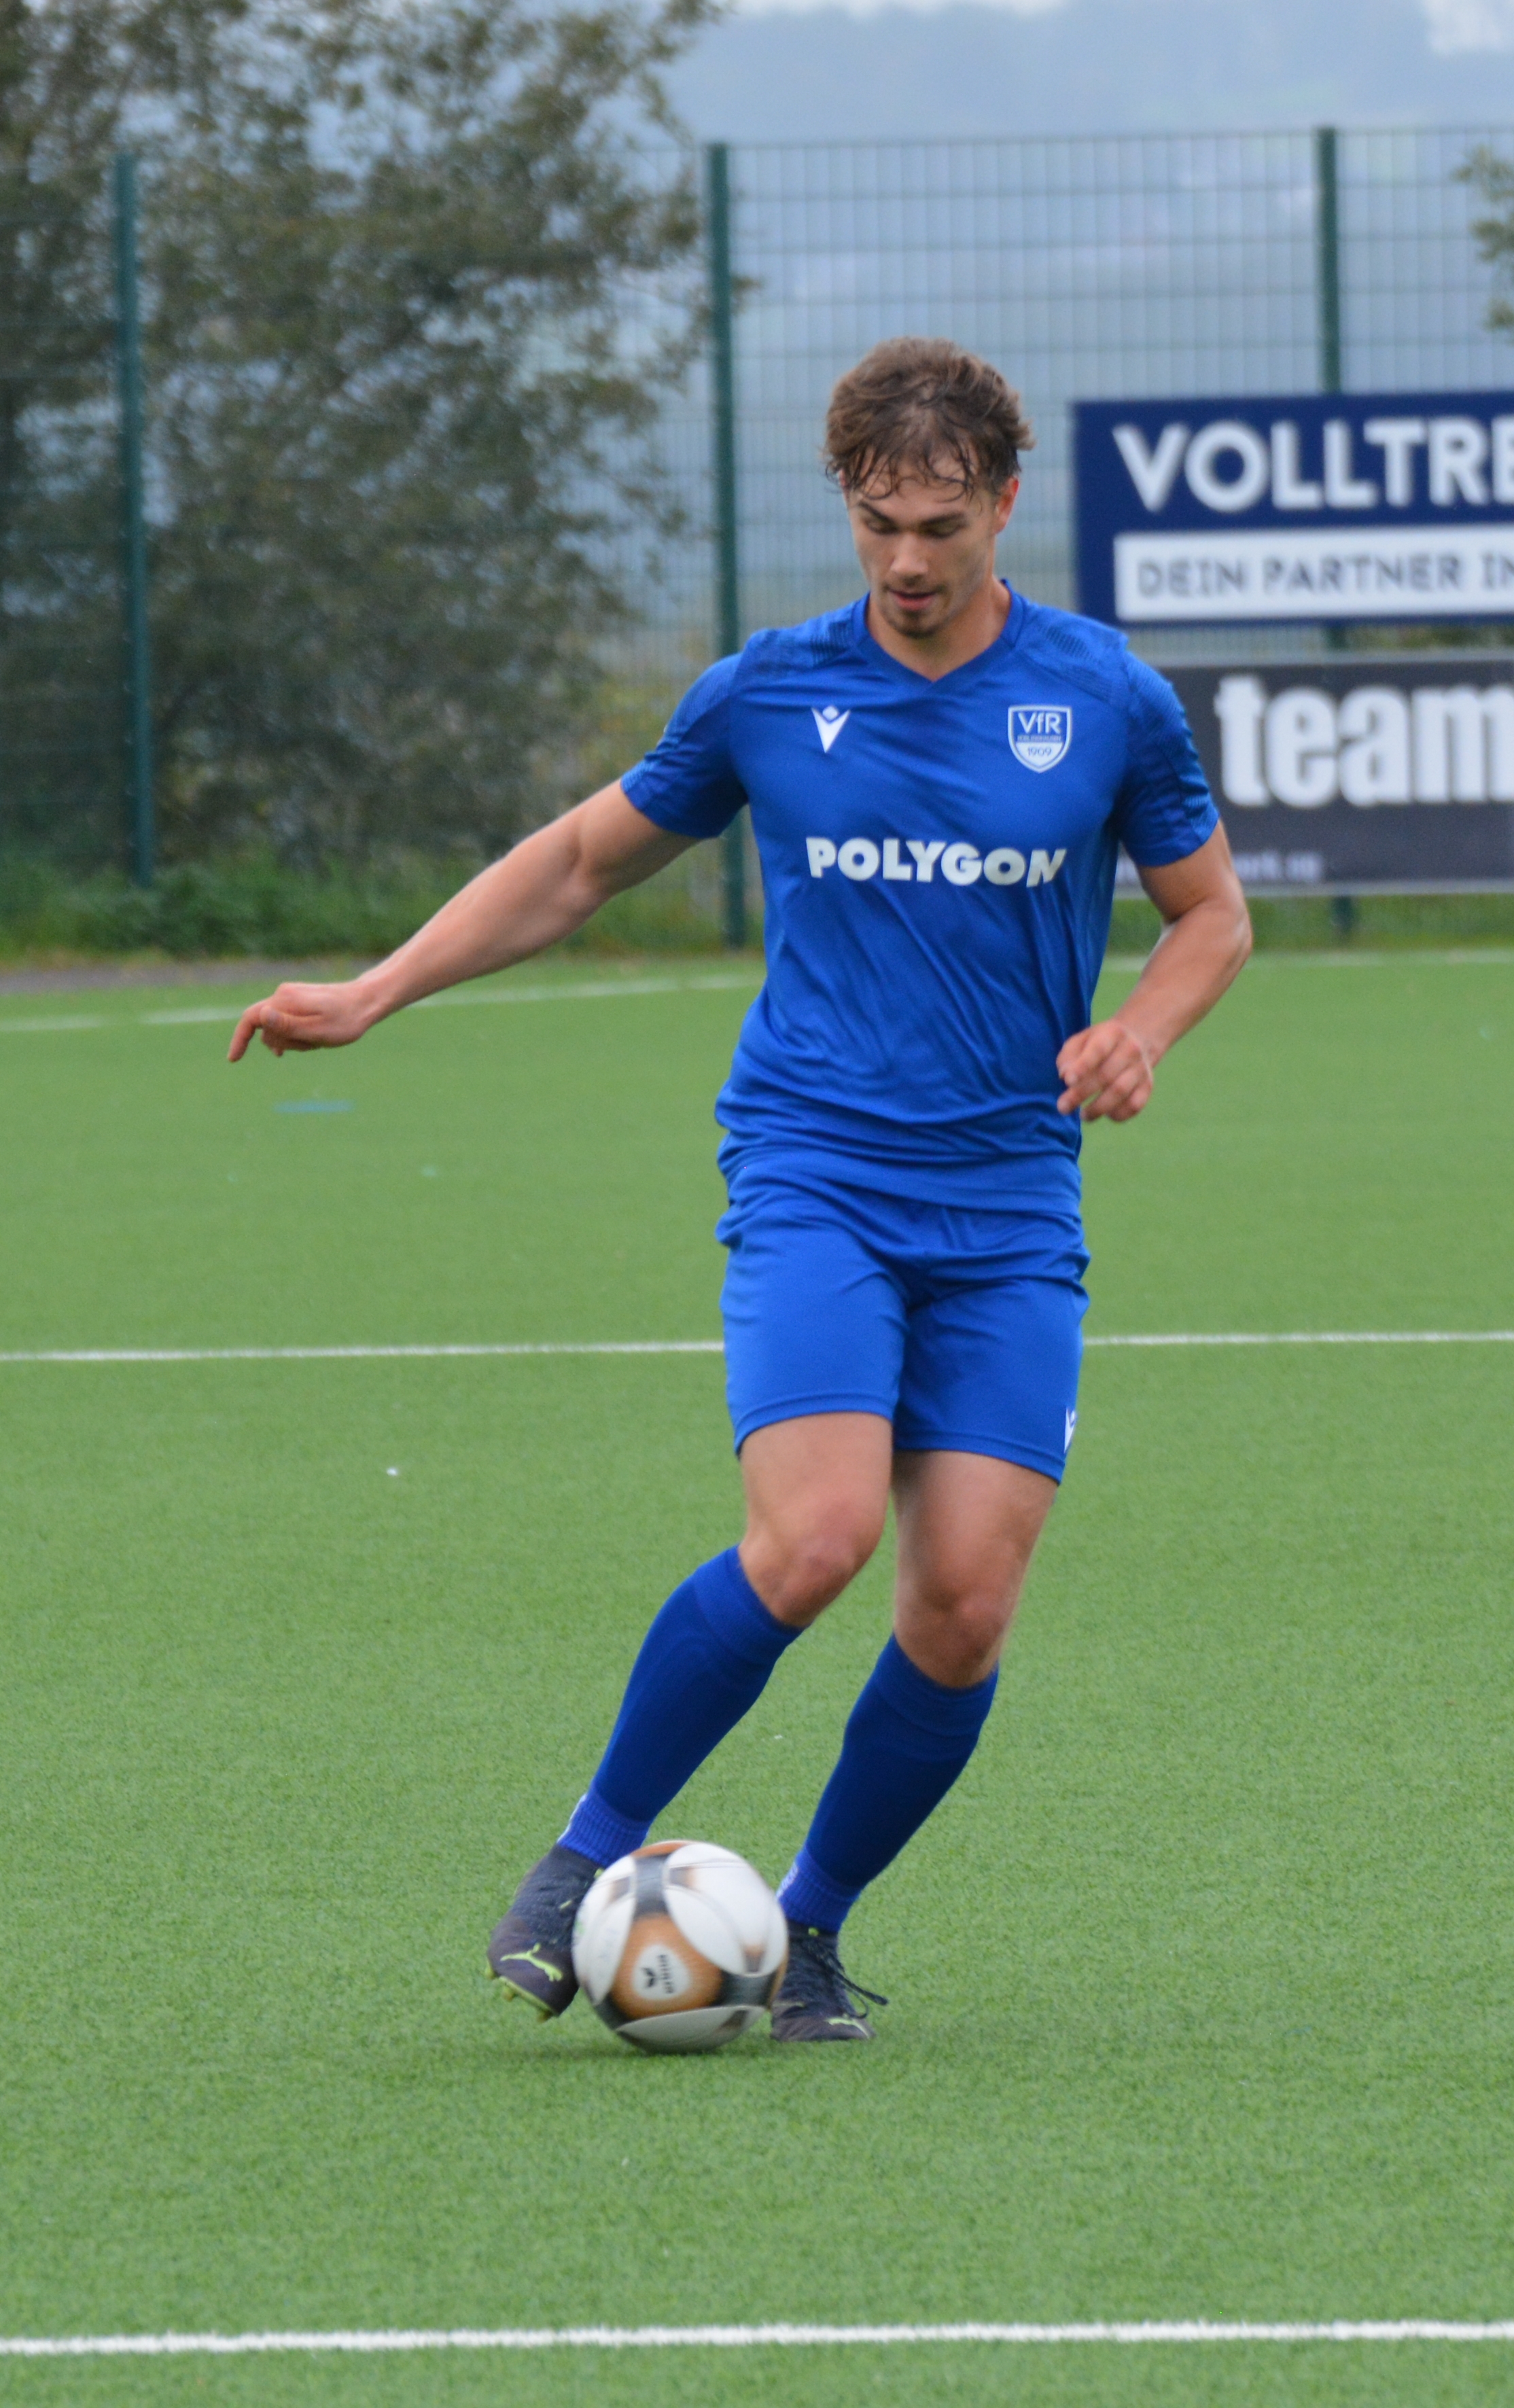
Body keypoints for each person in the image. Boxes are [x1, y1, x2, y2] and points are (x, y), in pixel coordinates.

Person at [230, 336, 1251, 2042]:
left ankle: (812, 1926)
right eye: (877, 523)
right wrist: (377, 988)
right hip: (816, 1172)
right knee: (816, 1537)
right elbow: (578, 864)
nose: (906, 560)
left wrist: (1139, 1029)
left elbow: (1210, 912)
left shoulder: (1105, 698)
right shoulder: (768, 694)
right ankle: (582, 1853)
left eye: (940, 525)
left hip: (1009, 1205)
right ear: (845, 506)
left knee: (963, 1604)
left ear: (1005, 504)